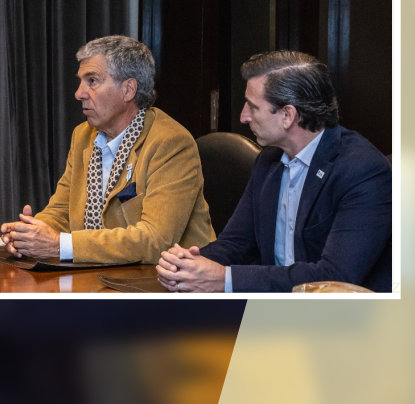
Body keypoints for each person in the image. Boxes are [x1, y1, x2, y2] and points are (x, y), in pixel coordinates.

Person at [156, 51, 392, 292]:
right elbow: (236, 243)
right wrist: (187, 264)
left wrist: (225, 279)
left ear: (287, 115)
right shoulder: (269, 160)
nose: (243, 117)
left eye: (253, 107)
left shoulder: (363, 171)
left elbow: (334, 277)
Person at [0, 35, 215, 264]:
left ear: (128, 90)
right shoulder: (82, 136)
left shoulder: (171, 143)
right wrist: (29, 234)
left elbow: (155, 241)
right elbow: (62, 211)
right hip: (101, 274)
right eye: (81, 81)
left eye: (92, 81)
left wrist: (59, 245)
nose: (79, 93)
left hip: (170, 282)